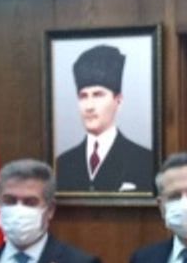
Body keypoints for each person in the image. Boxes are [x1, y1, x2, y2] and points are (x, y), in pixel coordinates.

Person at [55, 44, 154, 193]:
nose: (89, 106)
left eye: (98, 95)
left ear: (118, 101)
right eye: (83, 96)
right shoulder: (63, 164)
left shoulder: (144, 161)